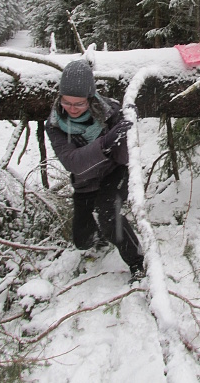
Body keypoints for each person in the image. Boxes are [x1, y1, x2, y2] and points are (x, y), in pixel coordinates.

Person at [46, 59, 144, 282]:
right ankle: (104, 236)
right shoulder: (54, 124)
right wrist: (106, 142)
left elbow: (125, 156)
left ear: (90, 98)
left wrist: (129, 123)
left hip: (114, 172)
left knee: (107, 214)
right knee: (83, 240)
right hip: (85, 180)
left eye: (79, 104)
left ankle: (137, 262)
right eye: (66, 102)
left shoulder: (110, 111)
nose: (72, 109)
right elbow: (72, 162)